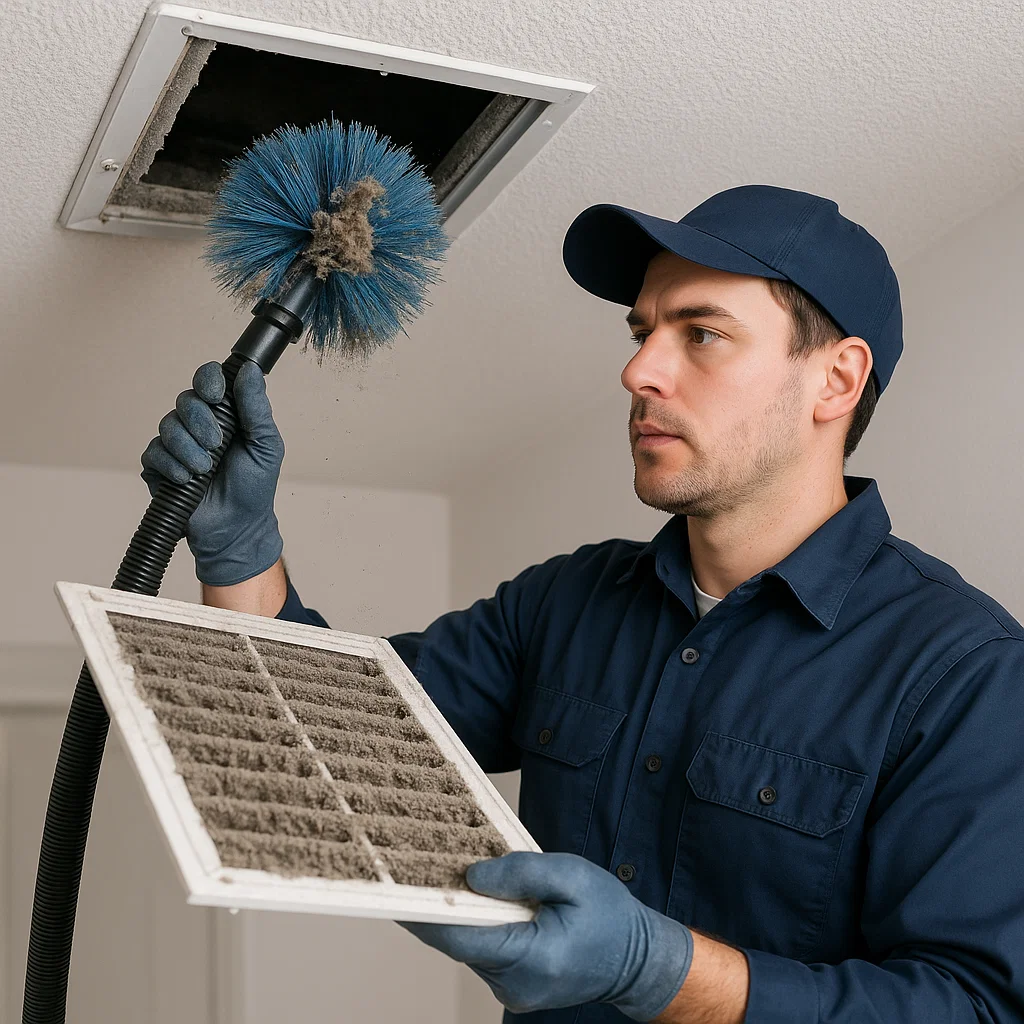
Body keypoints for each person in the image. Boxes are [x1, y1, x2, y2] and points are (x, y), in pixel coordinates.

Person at [142, 185, 1024, 1023]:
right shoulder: (567, 602)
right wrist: (241, 551)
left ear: (835, 381)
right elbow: (326, 740)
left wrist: (663, 970)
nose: (639, 371)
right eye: (643, 332)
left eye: (702, 334)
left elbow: (974, 1005)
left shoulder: (964, 672)